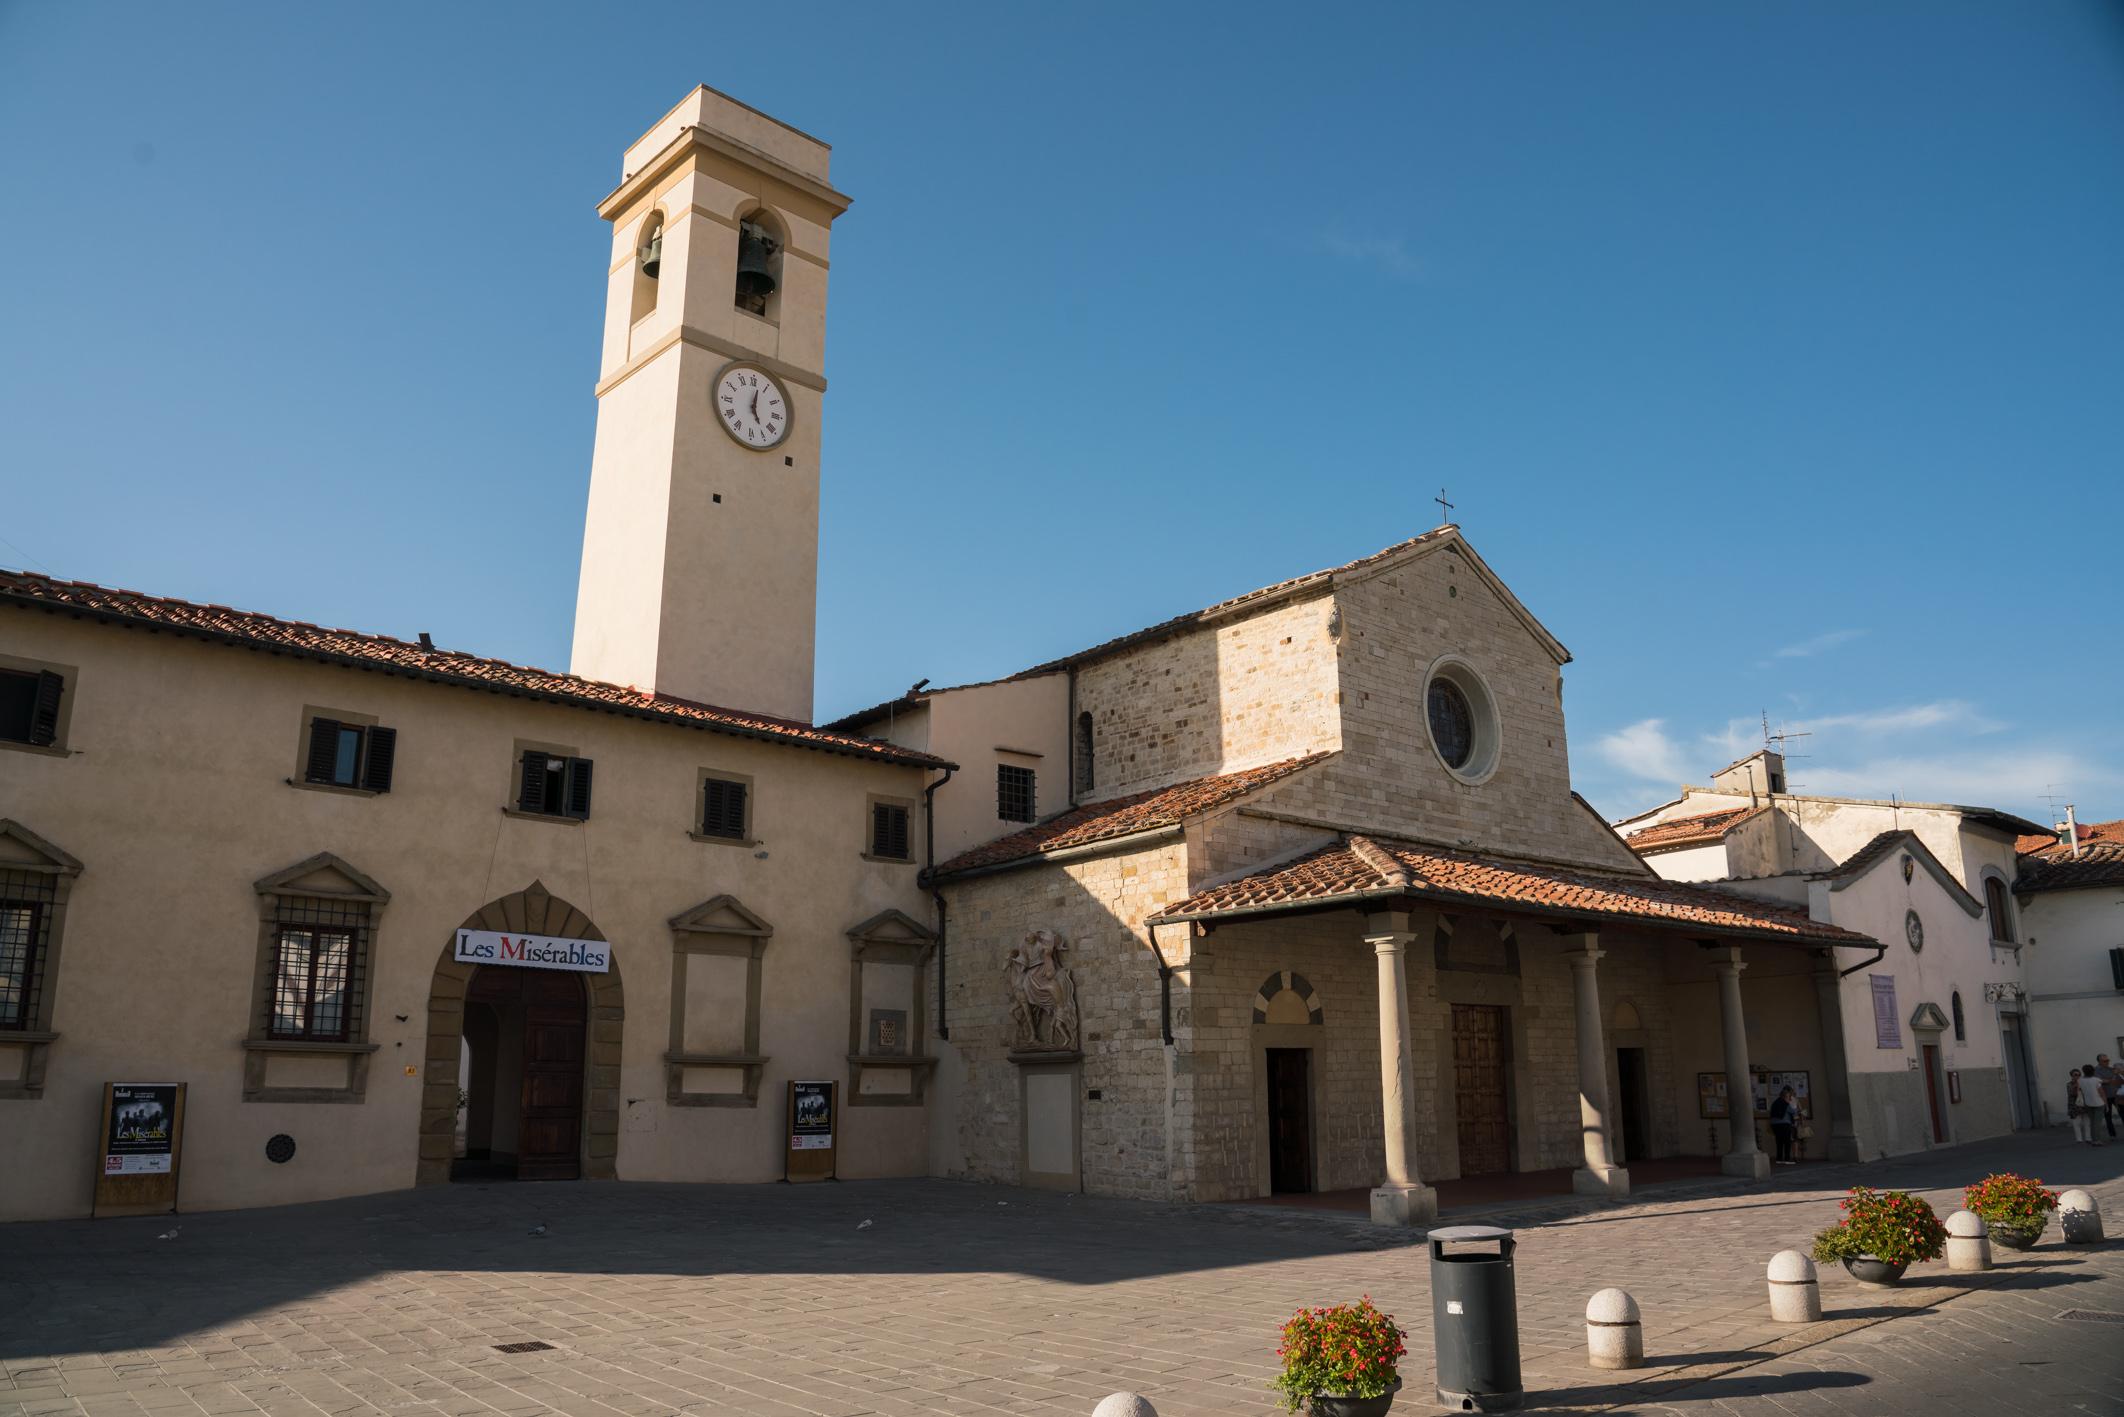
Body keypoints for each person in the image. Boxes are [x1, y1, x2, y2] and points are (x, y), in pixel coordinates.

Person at [2074, 1065, 2107, 1146]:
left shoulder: (2080, 1080)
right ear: (2093, 1071)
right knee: (2097, 1122)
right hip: (2099, 1103)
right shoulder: (2097, 1080)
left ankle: (2093, 1139)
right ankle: (2097, 1140)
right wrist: (2106, 1104)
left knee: (2092, 1122)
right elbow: (2102, 1093)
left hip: (2088, 1103)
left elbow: (2077, 1092)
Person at [1768, 1086, 1798, 1165]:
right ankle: (1787, 1158)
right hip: (1785, 1124)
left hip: (1774, 1124)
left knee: (1779, 1142)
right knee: (1787, 1141)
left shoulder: (1775, 1102)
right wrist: (1797, 1110)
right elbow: (1795, 1112)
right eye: (1788, 1097)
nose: (1789, 1098)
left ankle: (1779, 1158)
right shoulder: (1785, 1104)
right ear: (1786, 1096)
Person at [2096, 1053, 2120, 1139]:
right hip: (2105, 1097)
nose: (2107, 1062)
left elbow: (2116, 1080)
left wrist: (2106, 1081)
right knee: (2108, 1116)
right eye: (2105, 1061)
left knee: (2123, 1113)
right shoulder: (2096, 1070)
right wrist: (2110, 1080)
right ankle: (2112, 1134)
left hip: (2116, 1096)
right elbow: (2100, 1081)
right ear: (2100, 1062)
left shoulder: (2111, 1069)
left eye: (2108, 1060)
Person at [2068, 1069, 2093, 1144]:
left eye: (2079, 1075)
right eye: (2075, 1075)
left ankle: (2088, 1138)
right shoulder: (2070, 1084)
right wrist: (2076, 1088)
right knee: (2077, 1123)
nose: (2077, 1076)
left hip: (2085, 1104)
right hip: (2074, 1106)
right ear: (2072, 1076)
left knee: (2087, 1122)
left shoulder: (2083, 1083)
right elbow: (2071, 1094)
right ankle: (2079, 1140)